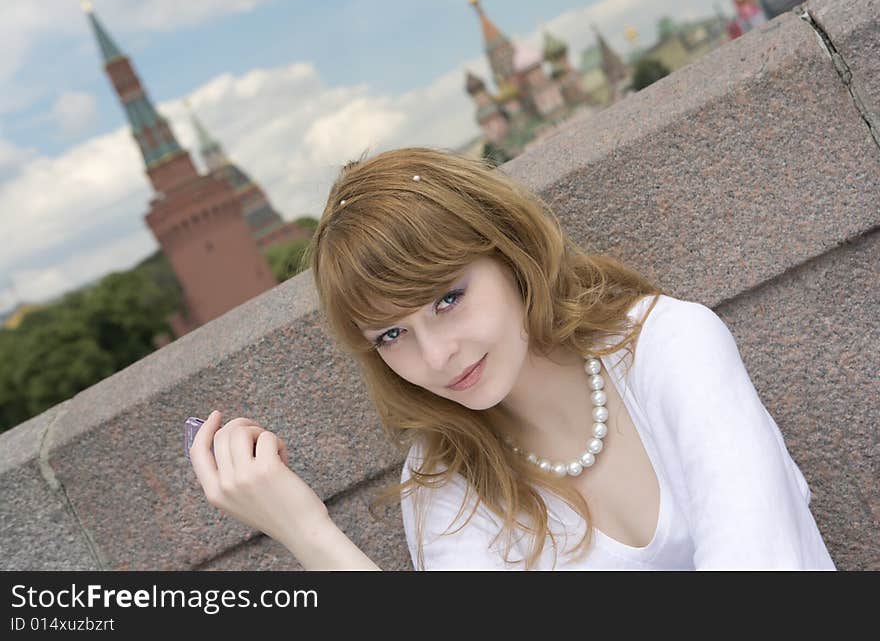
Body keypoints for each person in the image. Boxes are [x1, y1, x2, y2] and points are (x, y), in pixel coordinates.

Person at [190, 146, 836, 571]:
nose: (438, 354)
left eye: (448, 298)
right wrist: (309, 533)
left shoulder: (668, 343)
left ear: (508, 251)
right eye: (392, 335)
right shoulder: (447, 485)